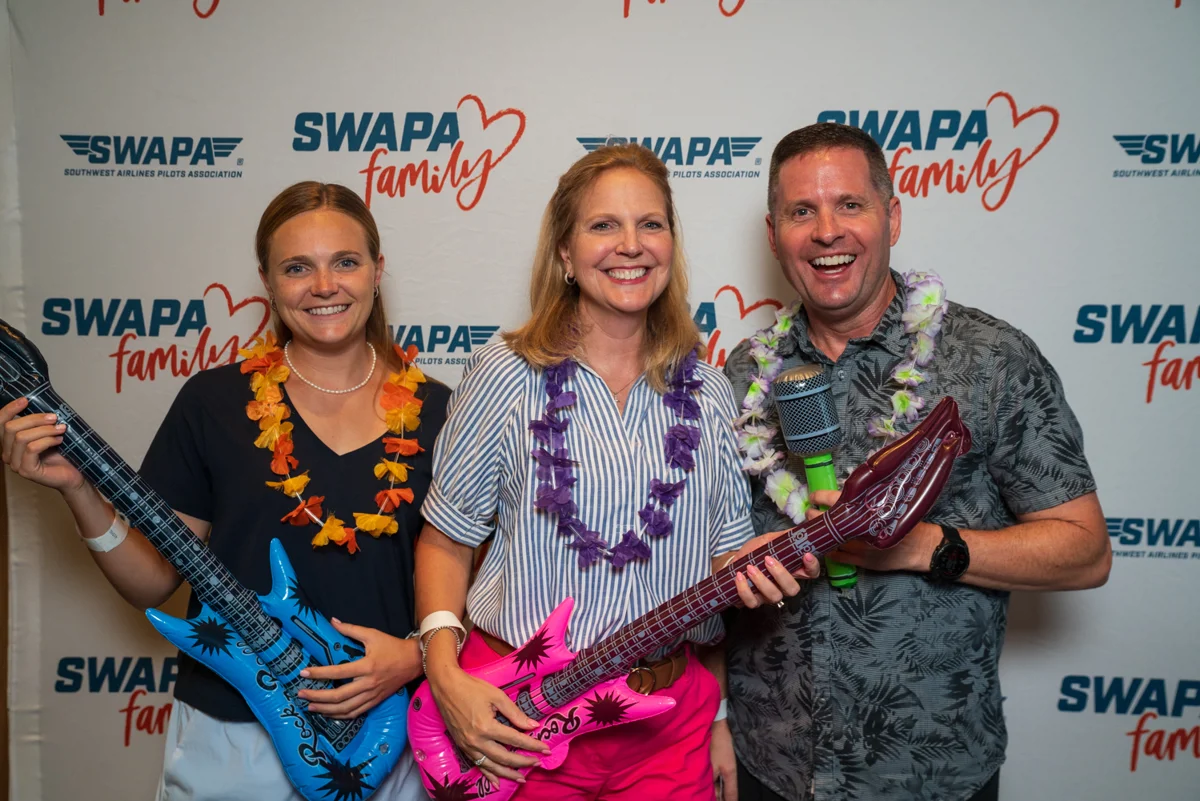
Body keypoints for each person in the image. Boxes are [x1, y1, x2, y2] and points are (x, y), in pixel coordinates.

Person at [0, 181, 447, 801]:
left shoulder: (443, 412)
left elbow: (479, 588)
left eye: (345, 261)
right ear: (267, 280)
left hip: (390, 736)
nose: (324, 286)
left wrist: (415, 657)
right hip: (232, 737)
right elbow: (152, 583)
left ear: (377, 270)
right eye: (297, 267)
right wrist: (77, 490)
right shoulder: (213, 402)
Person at [413, 143, 820, 801]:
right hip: (523, 720)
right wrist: (445, 677)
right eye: (604, 225)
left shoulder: (710, 392)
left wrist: (717, 711)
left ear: (670, 245)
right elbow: (446, 540)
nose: (631, 244)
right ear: (565, 253)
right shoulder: (505, 374)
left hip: (667, 726)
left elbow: (717, 570)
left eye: (650, 224)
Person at [722, 122, 1111, 801]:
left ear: (892, 216)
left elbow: (1085, 552)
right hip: (774, 766)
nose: (827, 231)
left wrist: (921, 547)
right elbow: (713, 550)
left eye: (850, 204)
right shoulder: (742, 375)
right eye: (801, 211)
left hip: (934, 770)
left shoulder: (989, 359)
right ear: (774, 234)